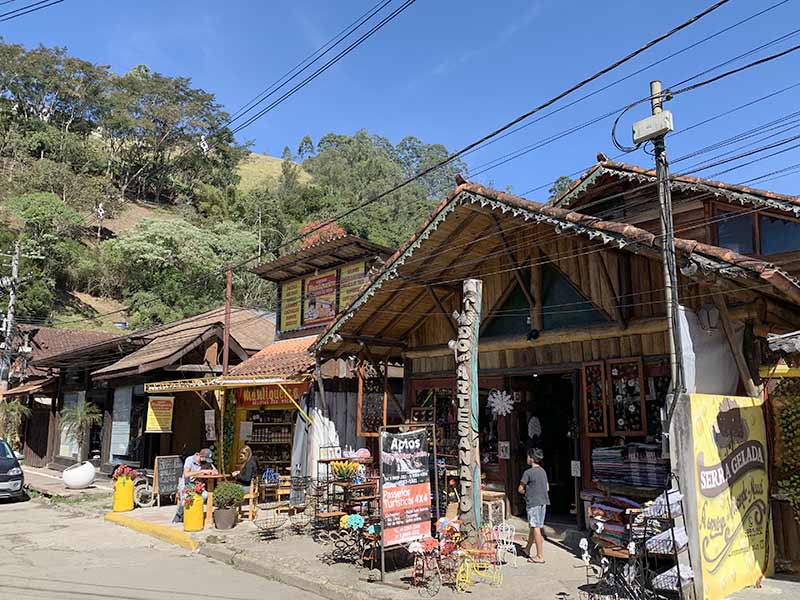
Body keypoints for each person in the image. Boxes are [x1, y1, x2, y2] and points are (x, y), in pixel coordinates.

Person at [519, 447, 550, 563]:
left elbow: (520, 488)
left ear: (531, 459)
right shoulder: (543, 471)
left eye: (528, 456)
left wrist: (526, 492)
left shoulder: (528, 473)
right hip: (543, 502)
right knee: (534, 526)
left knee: (536, 527)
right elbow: (547, 488)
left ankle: (540, 556)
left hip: (533, 502)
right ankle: (527, 549)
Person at [172, 448, 217, 523]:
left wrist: (212, 472)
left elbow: (215, 470)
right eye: (206, 459)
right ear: (201, 456)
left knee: (205, 495)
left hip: (197, 485)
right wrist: (201, 471)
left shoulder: (205, 462)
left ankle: (192, 512)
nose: (206, 461)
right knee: (187, 498)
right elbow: (186, 474)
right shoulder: (190, 460)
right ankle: (179, 515)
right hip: (187, 484)